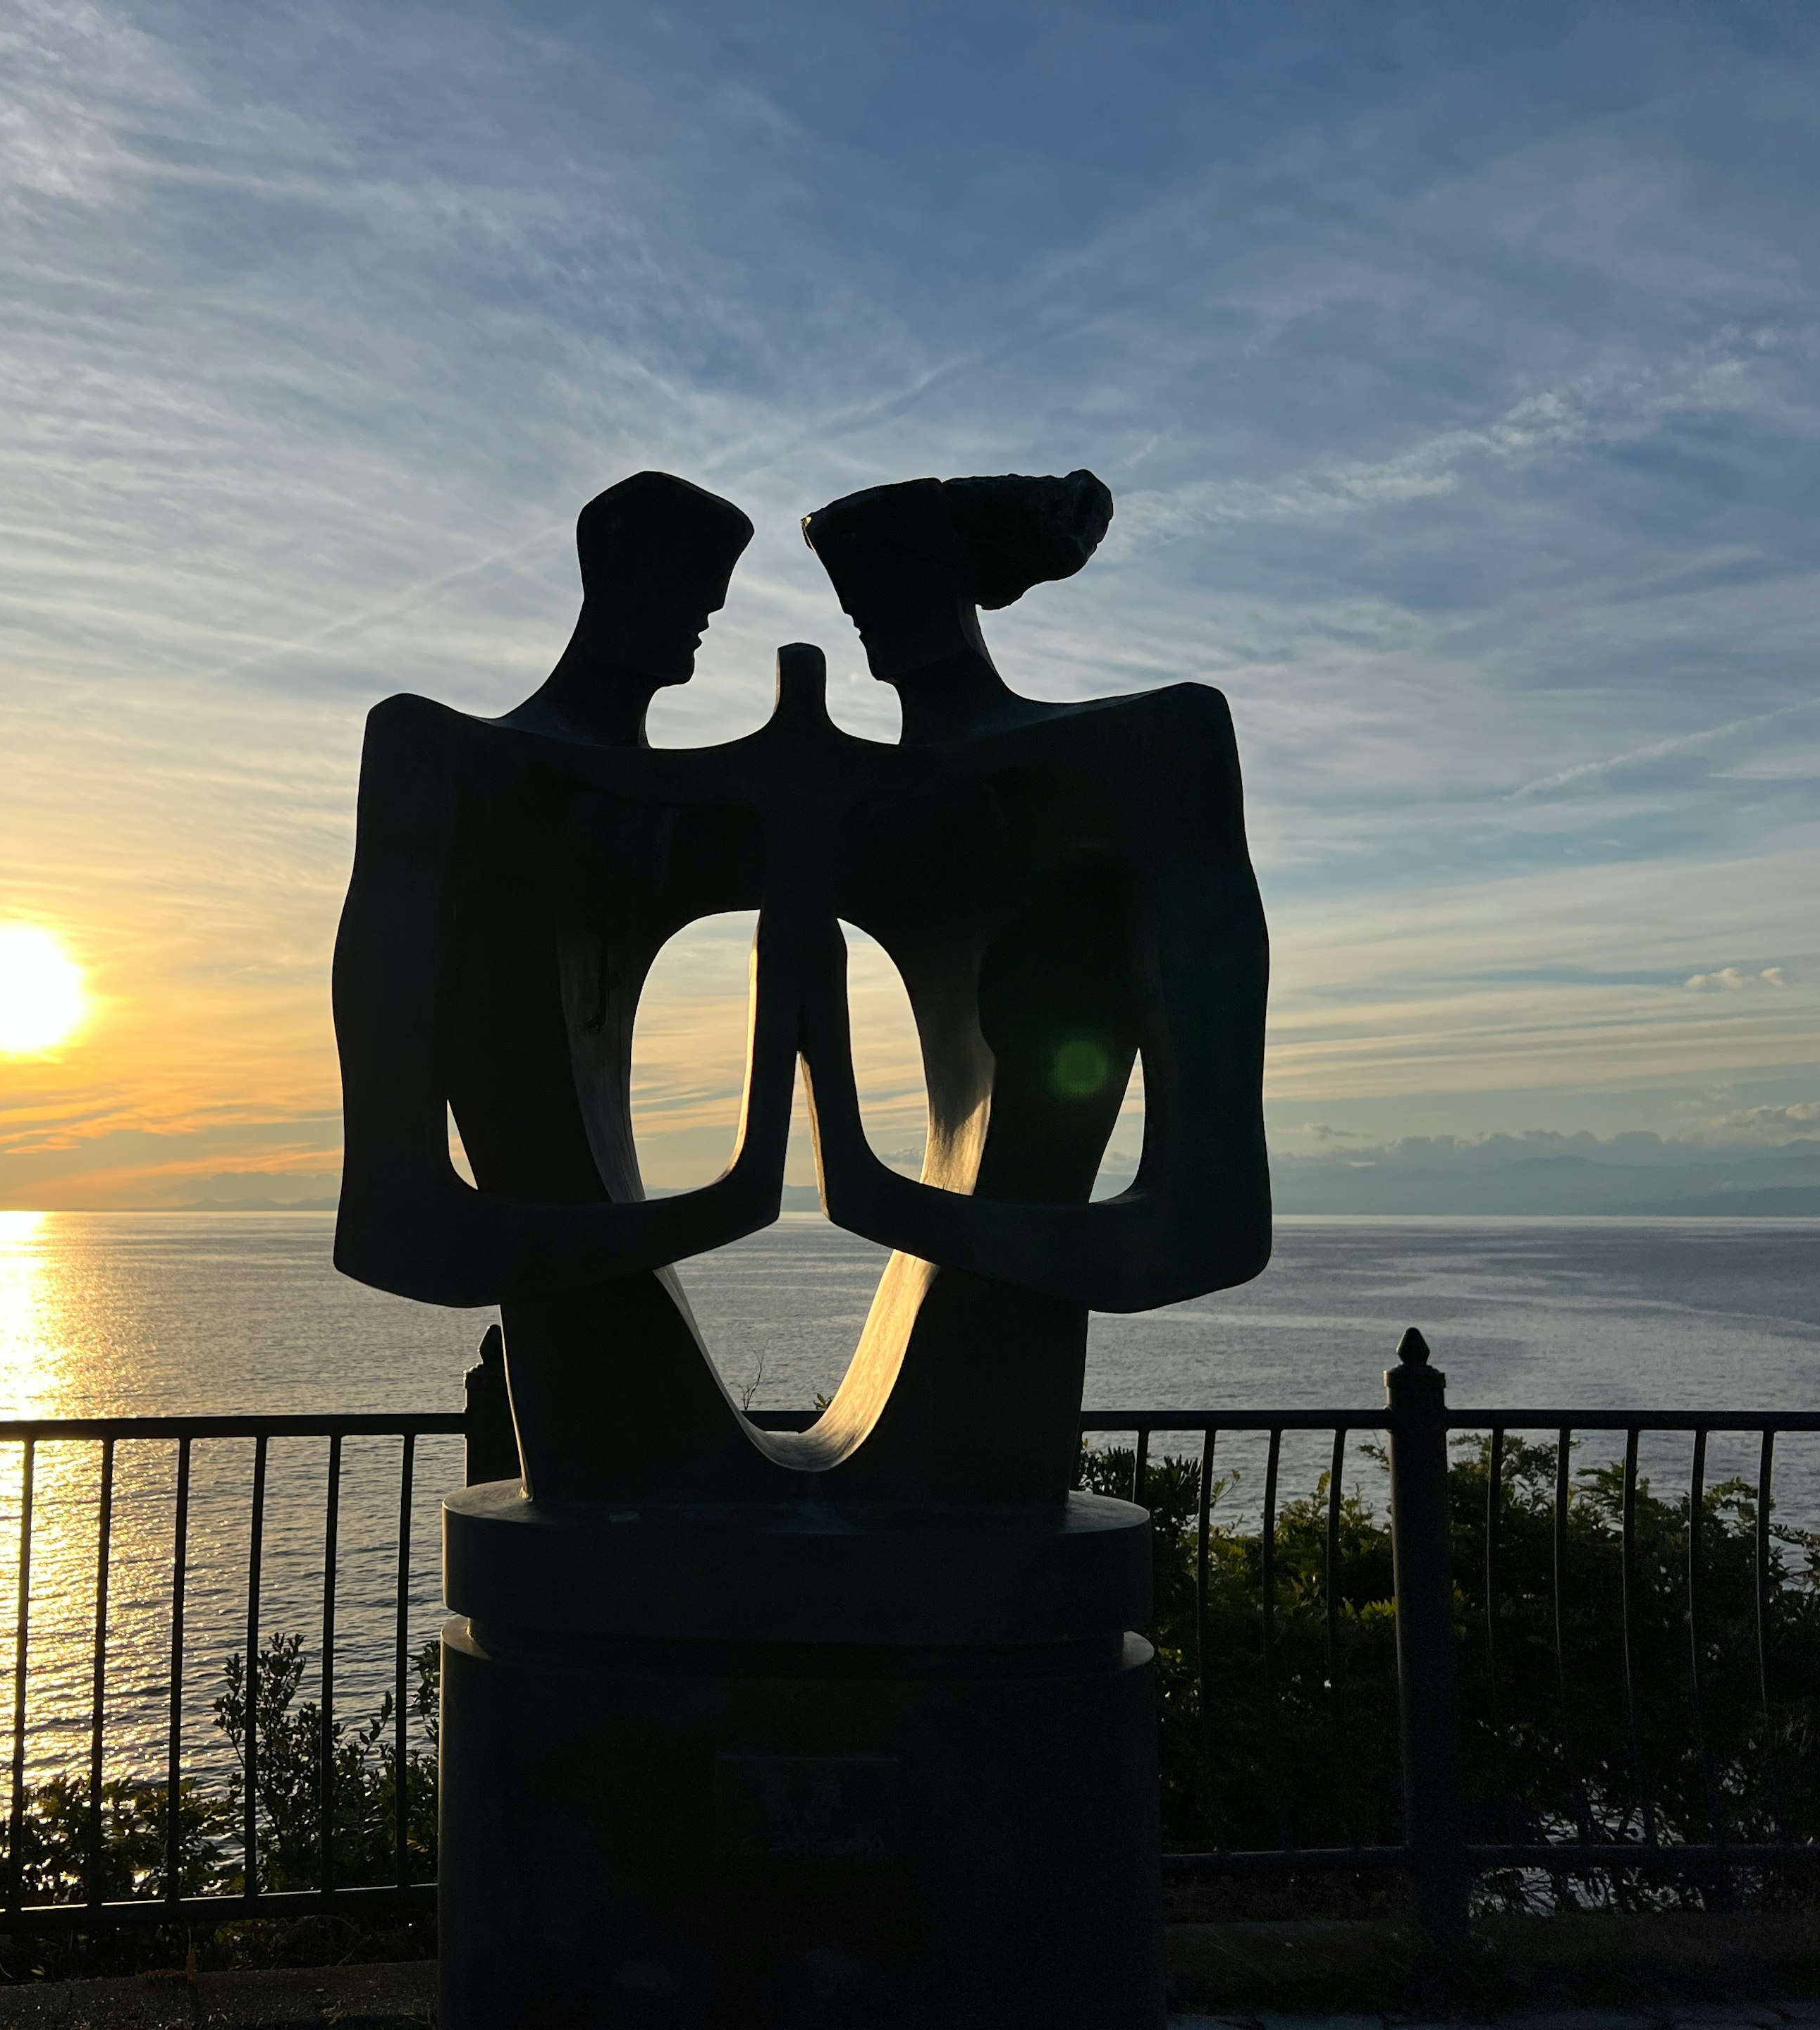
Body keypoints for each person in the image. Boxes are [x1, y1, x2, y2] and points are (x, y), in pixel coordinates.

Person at [789, 471, 1274, 1504]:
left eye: (883, 587)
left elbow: (1209, 1227)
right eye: (850, 600)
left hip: (990, 1400)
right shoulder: (846, 798)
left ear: (959, 578)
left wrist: (868, 1185)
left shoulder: (1144, 747)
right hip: (915, 1345)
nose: (867, 626)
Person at [329, 472, 808, 1500]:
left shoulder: (691, 807)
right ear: (613, 578)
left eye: (710, 611)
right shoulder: (447, 758)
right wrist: (732, 1193)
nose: (701, 627)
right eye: (687, 602)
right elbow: (397, 1230)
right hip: (589, 1354)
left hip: (623, 1323)